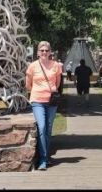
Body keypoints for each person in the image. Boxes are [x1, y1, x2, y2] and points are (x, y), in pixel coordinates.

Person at [25, 41, 62, 171]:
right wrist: (38, 92)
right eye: (42, 50)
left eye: (46, 50)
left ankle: (45, 158)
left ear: (50, 52)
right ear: (38, 53)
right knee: (41, 127)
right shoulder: (32, 66)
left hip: (51, 102)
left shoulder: (56, 65)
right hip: (38, 101)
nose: (44, 53)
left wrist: (49, 91)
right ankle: (42, 159)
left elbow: (57, 83)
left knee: (48, 129)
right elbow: (28, 85)